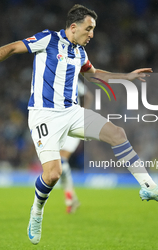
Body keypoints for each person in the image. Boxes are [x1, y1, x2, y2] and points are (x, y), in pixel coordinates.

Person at [0, 4, 158, 245]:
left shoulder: (80, 52)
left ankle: (149, 187)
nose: (92, 34)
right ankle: (37, 211)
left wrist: (126, 76)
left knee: (117, 133)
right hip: (44, 115)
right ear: (74, 27)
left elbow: (93, 75)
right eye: (88, 29)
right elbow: (11, 47)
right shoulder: (48, 39)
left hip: (72, 112)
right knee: (53, 175)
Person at [60, 77, 93, 214]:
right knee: (59, 164)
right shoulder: (54, 81)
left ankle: (71, 199)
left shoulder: (73, 81)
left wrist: (83, 113)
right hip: (60, 126)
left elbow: (88, 96)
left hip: (73, 126)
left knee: (61, 161)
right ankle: (72, 198)